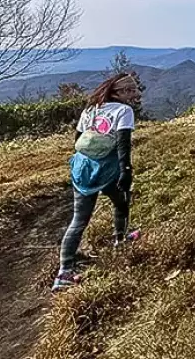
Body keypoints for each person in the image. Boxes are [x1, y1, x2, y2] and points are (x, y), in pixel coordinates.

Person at [52, 73, 141, 292]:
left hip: (82, 168)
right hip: (106, 169)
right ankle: (120, 240)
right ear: (116, 93)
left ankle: (64, 271)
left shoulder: (91, 109)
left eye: (134, 90)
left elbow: (77, 139)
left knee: (80, 218)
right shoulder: (124, 111)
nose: (133, 94)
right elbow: (123, 144)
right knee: (120, 201)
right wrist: (125, 170)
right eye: (128, 91)